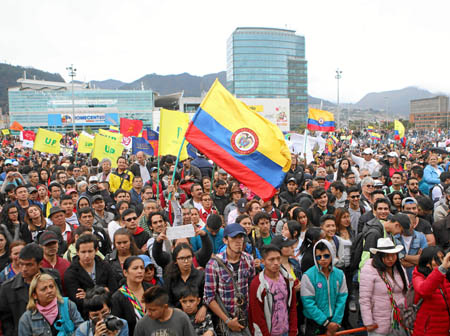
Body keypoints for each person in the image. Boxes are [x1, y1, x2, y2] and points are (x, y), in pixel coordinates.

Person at [204, 223, 255, 335]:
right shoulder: (214, 264)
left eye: (241, 237)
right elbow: (209, 297)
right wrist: (227, 321)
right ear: (225, 240)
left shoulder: (248, 259)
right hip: (227, 319)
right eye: (234, 237)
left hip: (246, 318)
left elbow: (252, 287)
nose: (238, 241)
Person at [0, 243, 62, 336]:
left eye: (29, 265)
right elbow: (6, 322)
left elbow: (61, 303)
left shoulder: (53, 278)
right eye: (21, 264)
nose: (24, 269)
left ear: (40, 264)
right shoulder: (7, 289)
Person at [360, 238, 409, 336]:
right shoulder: (369, 269)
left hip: (400, 320)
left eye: (393, 255)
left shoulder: (399, 268)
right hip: (378, 322)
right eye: (386, 256)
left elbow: (406, 291)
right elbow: (365, 298)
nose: (391, 259)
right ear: (379, 256)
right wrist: (368, 322)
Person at [301, 239, 347, 336]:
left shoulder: (340, 274)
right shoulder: (308, 276)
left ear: (332, 255)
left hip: (334, 321)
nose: (322, 259)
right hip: (315, 322)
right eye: (319, 257)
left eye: (326, 256)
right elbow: (308, 303)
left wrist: (335, 322)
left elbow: (342, 299)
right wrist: (326, 323)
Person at [248, 244, 298, 336]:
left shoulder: (288, 280)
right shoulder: (257, 284)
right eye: (271, 260)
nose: (276, 263)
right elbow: (257, 316)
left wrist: (293, 331)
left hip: (286, 332)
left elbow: (292, 308)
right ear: (263, 261)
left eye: (278, 259)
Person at [64, 234, 118, 314]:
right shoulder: (71, 273)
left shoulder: (105, 266)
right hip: (85, 314)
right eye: (83, 252)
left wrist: (87, 295)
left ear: (96, 250)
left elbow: (113, 291)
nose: (87, 256)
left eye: (90, 251)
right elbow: (78, 301)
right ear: (77, 252)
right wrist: (104, 290)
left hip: (109, 311)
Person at [18, 273, 83, 335]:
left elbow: (82, 330)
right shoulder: (26, 319)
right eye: (44, 289)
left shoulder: (68, 305)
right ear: (34, 295)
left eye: (51, 286)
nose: (49, 291)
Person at [412, 247, 450, 336]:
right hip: (427, 331)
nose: (442, 261)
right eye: (437, 259)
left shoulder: (445, 276)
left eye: (442, 258)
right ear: (427, 263)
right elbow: (424, 290)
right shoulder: (418, 276)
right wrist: (442, 269)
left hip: (444, 329)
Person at [111, 256, 151, 335]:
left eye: (142, 268)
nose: (140, 271)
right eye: (135, 268)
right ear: (125, 272)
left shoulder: (152, 290)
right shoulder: (118, 297)